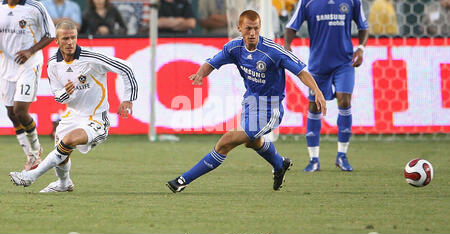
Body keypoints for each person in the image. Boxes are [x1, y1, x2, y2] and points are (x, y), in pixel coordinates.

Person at [166, 10, 327, 193]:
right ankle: (279, 163)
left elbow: (302, 72)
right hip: (250, 103)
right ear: (239, 28)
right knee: (252, 142)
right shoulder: (234, 48)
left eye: (256, 29)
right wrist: (201, 74)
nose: (252, 33)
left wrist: (317, 92)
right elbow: (212, 62)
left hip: (270, 107)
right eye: (248, 29)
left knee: (226, 142)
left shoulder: (273, 51)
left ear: (260, 28)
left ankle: (182, 180)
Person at [9, 20, 138, 193]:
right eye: (65, 39)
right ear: (57, 40)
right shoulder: (53, 64)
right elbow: (58, 96)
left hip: (96, 118)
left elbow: (126, 67)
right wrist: (66, 93)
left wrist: (128, 98)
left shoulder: (92, 58)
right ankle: (64, 184)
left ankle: (30, 176)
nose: (70, 42)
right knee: (62, 153)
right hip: (72, 116)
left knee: (68, 141)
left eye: (73, 38)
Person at [284, 0, 369, 172]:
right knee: (315, 106)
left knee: (344, 101)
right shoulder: (307, 2)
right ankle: (313, 159)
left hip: (344, 63)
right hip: (318, 65)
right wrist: (287, 45)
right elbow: (291, 26)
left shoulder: (353, 1)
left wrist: (360, 48)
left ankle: (342, 156)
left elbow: (363, 25)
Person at [0, 0, 56, 170]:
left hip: (29, 65)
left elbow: (50, 34)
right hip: (6, 65)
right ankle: (31, 154)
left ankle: (35, 151)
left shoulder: (35, 7)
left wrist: (30, 51)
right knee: (11, 112)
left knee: (20, 110)